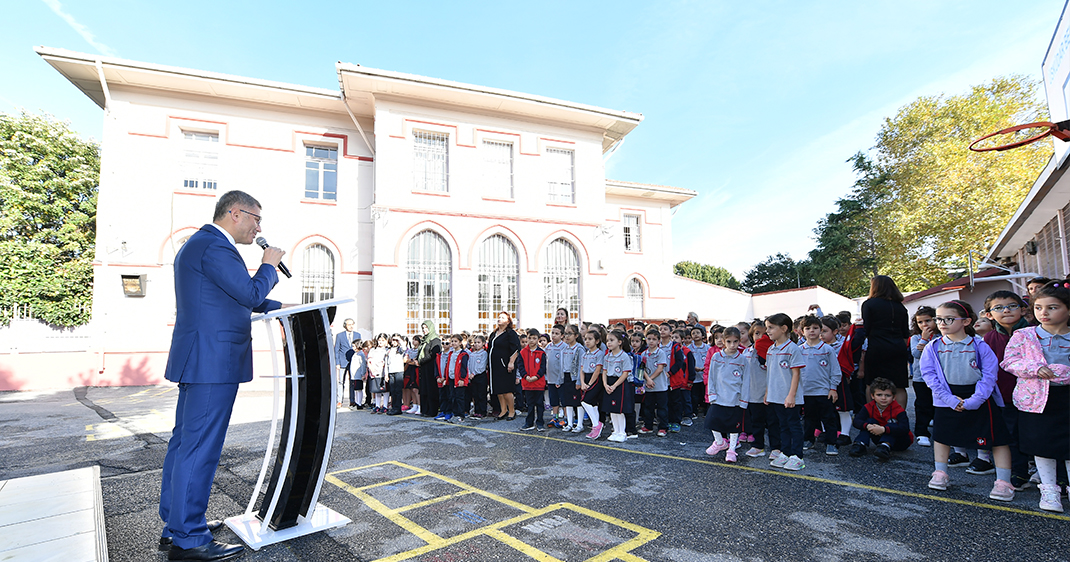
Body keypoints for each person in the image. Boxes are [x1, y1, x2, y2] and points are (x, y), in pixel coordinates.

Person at [159, 190, 283, 561]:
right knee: (199, 449)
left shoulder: (203, 244)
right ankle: (189, 538)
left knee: (185, 445)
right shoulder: (214, 245)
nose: (258, 227)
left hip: (203, 359)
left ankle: (178, 523)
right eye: (255, 219)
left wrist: (283, 305)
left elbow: (236, 296)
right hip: (212, 362)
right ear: (234, 213)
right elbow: (247, 291)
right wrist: (269, 265)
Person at [920, 300, 1015, 501]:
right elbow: (929, 374)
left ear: (966, 321)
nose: (942, 323)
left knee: (996, 439)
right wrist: (947, 398)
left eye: (949, 319)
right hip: (946, 397)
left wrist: (976, 399)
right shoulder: (933, 346)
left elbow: (989, 375)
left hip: (979, 397)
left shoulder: (980, 345)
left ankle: (1004, 482)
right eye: (939, 319)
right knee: (942, 436)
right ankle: (940, 472)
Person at [1002, 281, 1070, 512]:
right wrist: (1034, 368)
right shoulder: (1024, 335)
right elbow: (1009, 361)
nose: (1044, 313)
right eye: (1039, 307)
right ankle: (1049, 489)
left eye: (1052, 307)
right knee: (1042, 445)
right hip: (1036, 400)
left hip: (1066, 397)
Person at [981, 291, 1033, 488]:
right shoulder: (989, 339)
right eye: (998, 308)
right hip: (1004, 395)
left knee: (1038, 434)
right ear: (989, 315)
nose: (1006, 310)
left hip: (1034, 396)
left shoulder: (1035, 333)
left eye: (1012, 306)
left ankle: (1056, 477)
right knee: (1011, 435)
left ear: (1022, 309)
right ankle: (1019, 472)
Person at [861, 275, 911, 409]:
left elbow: (867, 328)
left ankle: (873, 414)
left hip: (877, 347)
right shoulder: (900, 307)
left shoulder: (869, 304)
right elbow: (906, 333)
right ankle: (900, 417)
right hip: (898, 348)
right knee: (899, 385)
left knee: (871, 384)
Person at [764, 313, 805, 471]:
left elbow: (796, 373)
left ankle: (797, 456)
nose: (768, 331)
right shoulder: (771, 349)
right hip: (776, 395)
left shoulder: (792, 348)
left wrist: (791, 395)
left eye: (771, 328)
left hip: (789, 396)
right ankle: (786, 452)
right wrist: (768, 392)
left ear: (784, 328)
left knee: (793, 425)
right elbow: (770, 373)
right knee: (782, 425)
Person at [798, 316, 841, 456]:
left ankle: (831, 443)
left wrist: (833, 388)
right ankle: (808, 439)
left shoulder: (827, 349)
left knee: (829, 418)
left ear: (820, 330)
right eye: (808, 328)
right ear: (802, 331)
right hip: (806, 391)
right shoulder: (799, 350)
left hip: (823, 391)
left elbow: (835, 370)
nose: (812, 331)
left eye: (815, 328)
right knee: (809, 418)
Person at [705, 327, 748, 462]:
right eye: (729, 342)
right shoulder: (716, 357)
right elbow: (711, 377)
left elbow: (746, 381)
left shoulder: (742, 359)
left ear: (739, 341)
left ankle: (732, 449)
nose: (732, 345)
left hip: (735, 399)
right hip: (718, 397)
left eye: (735, 342)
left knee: (733, 426)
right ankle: (720, 442)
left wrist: (743, 400)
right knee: (712, 421)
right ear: (723, 341)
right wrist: (711, 394)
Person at [848, 378, 913, 460]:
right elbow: (857, 421)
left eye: (887, 395)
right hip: (879, 436)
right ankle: (860, 444)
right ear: (872, 396)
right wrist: (868, 426)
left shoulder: (898, 410)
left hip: (900, 441)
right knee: (870, 421)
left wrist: (884, 429)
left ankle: (885, 447)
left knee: (893, 424)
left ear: (894, 397)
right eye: (879, 395)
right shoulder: (869, 407)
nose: (883, 398)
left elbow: (905, 428)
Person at [742, 323, 775, 458]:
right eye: (757, 333)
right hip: (754, 393)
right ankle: (758, 446)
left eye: (764, 334)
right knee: (757, 421)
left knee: (773, 422)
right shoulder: (747, 351)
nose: (760, 336)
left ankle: (776, 447)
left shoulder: (772, 350)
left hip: (770, 393)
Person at [909, 306, 938, 447]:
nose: (924, 325)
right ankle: (921, 432)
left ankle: (938, 430)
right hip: (921, 377)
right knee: (922, 404)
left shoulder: (942, 336)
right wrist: (924, 339)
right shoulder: (915, 337)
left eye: (928, 320)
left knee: (939, 404)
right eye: (920, 322)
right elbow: (916, 353)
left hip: (939, 377)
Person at [488, 312, 522, 421]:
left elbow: (516, 349)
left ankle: (511, 411)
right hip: (495, 366)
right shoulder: (494, 333)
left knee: (506, 389)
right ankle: (503, 410)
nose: (499, 319)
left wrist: (511, 362)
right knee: (498, 389)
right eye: (499, 317)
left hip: (505, 365)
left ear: (508, 321)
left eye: (502, 318)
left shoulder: (510, 333)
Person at [601, 330, 634, 443]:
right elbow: (604, 371)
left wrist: (614, 386)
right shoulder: (607, 356)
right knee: (612, 410)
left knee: (619, 410)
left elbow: (625, 373)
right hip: (609, 383)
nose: (609, 343)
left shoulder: (624, 356)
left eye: (612, 340)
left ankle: (622, 432)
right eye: (607, 341)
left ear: (620, 342)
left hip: (619, 384)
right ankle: (615, 430)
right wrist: (605, 384)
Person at [639, 329, 669, 437]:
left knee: (662, 408)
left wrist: (650, 379)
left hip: (660, 386)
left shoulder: (661, 353)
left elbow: (660, 368)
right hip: (648, 387)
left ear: (658, 341)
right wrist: (648, 380)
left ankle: (663, 427)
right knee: (648, 407)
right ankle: (648, 426)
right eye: (649, 339)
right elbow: (642, 369)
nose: (651, 341)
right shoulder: (643, 354)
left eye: (654, 339)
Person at [518, 328, 547, 431]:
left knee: (539, 404)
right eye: (529, 338)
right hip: (527, 383)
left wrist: (536, 377)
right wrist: (526, 376)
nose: (531, 340)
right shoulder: (522, 352)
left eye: (534, 338)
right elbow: (520, 366)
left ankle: (540, 423)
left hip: (538, 383)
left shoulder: (541, 353)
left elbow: (543, 367)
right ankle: (529, 423)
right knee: (530, 404)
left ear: (538, 339)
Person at [579, 329, 607, 438]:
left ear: (597, 341)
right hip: (586, 378)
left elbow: (597, 370)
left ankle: (597, 424)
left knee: (585, 401)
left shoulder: (599, 353)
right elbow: (582, 369)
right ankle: (595, 427)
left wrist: (589, 384)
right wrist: (582, 382)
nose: (587, 341)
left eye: (590, 339)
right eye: (585, 339)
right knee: (593, 404)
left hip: (595, 379)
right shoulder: (585, 354)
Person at [417, 320, 442, 418]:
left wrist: (421, 361)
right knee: (424, 389)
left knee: (431, 389)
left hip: (431, 367)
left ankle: (432, 410)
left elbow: (434, 354)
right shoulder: (424, 340)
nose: (424, 330)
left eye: (426, 328)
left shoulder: (435, 339)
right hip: (423, 368)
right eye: (423, 328)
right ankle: (425, 410)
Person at [561, 324, 584, 432]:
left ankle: (579, 424)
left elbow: (580, 365)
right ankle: (569, 423)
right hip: (566, 376)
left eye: (570, 333)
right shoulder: (565, 348)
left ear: (576, 335)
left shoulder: (579, 348)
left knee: (577, 402)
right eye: (565, 333)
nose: (567, 336)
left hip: (575, 377)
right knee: (568, 401)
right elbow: (562, 364)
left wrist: (579, 380)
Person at [544, 325, 568, 428]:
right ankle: (555, 416)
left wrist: (560, 378)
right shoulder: (548, 347)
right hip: (550, 378)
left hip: (561, 379)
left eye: (557, 333)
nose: (554, 335)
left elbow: (564, 364)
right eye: (552, 333)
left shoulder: (564, 347)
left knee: (563, 400)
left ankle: (566, 418)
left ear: (562, 335)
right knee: (553, 399)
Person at [334, 318, 360, 406]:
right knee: (341, 381)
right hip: (342, 361)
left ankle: (352, 400)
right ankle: (339, 400)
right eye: (349, 324)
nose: (351, 326)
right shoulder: (340, 336)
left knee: (352, 381)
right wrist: (337, 362)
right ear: (345, 325)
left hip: (354, 361)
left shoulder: (357, 335)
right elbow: (336, 349)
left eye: (352, 324)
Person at [467, 335, 489, 419]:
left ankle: (482, 411)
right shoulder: (472, 354)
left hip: (480, 376)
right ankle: (477, 411)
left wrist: (474, 373)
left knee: (481, 394)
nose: (476, 344)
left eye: (479, 342)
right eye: (475, 342)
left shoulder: (484, 353)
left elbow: (482, 366)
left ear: (483, 343)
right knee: (475, 394)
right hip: (472, 377)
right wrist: (469, 373)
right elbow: (469, 364)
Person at [385, 334, 406, 415]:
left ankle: (398, 408)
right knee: (393, 391)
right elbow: (387, 363)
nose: (394, 342)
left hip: (399, 371)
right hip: (391, 371)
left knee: (398, 390)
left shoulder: (400, 349)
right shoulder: (389, 350)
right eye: (393, 340)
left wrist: (399, 339)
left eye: (396, 340)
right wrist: (386, 374)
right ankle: (394, 407)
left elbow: (404, 347)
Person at [347, 340, 369, 409]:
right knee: (356, 389)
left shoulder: (361, 354)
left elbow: (363, 365)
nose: (353, 347)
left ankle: (359, 403)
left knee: (359, 389)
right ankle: (357, 402)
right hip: (354, 375)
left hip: (358, 375)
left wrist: (363, 374)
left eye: (354, 346)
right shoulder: (355, 354)